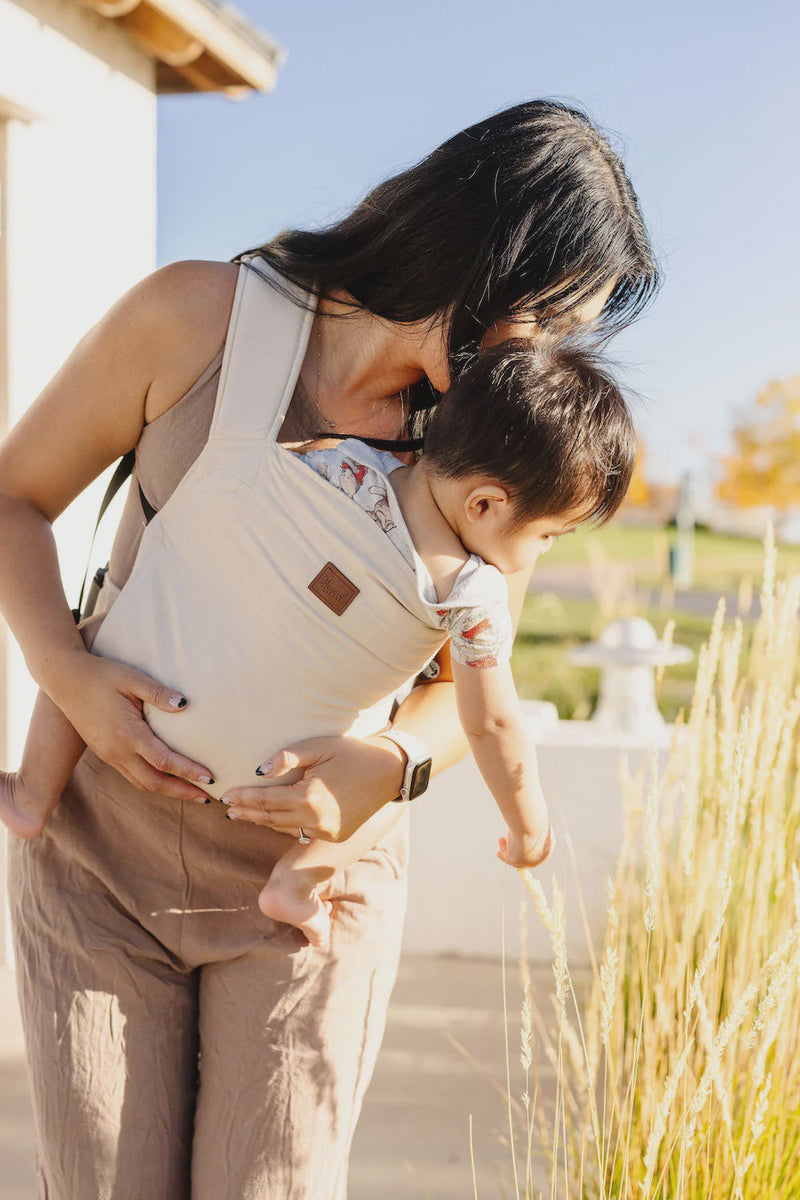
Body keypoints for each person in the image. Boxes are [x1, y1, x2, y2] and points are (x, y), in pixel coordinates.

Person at [0, 99, 658, 1198]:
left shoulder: (494, 458)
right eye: (545, 319)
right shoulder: (196, 319)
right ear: (482, 259)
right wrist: (68, 678)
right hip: (98, 870)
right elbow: (15, 499)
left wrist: (386, 769)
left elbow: (473, 691)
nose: (544, 359)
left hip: (308, 896)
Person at [0, 337, 636, 950]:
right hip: (273, 778)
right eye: (550, 535)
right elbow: (492, 723)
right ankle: (298, 880)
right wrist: (529, 825)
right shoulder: (471, 596)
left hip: (145, 706)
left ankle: (32, 796)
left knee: (89, 641)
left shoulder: (337, 464)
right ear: (486, 504)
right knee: (395, 783)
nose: (542, 553)